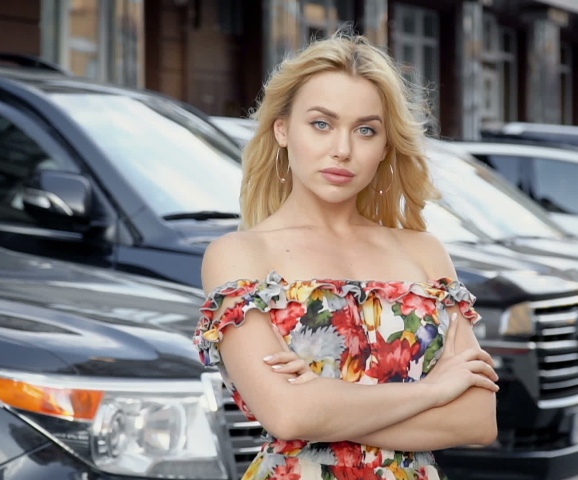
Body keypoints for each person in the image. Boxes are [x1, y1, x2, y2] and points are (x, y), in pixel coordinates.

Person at [195, 32, 498, 480]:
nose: (342, 149)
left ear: (384, 147)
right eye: (321, 124)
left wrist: (326, 402)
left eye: (365, 130)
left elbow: (474, 420)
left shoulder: (424, 251)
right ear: (282, 129)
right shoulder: (239, 255)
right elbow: (289, 416)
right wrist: (435, 390)